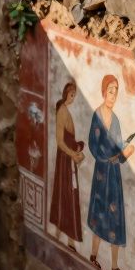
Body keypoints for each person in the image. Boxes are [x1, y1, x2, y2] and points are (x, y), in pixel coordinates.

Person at [87, 74, 135, 270]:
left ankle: (115, 266)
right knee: (99, 215)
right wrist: (106, 158)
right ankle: (93, 255)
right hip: (101, 173)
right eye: (110, 91)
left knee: (115, 219)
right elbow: (92, 143)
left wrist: (126, 150)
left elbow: (118, 147)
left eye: (116, 92)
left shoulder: (115, 120)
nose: (113, 95)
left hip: (113, 175)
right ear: (103, 91)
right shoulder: (97, 115)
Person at [49, 81, 85, 251]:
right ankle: (63, 237)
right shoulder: (62, 112)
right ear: (65, 94)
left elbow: (69, 140)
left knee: (69, 196)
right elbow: (60, 142)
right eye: (71, 95)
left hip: (68, 159)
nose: (72, 99)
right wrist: (74, 154)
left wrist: (78, 148)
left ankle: (68, 239)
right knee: (66, 196)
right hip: (65, 160)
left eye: (74, 96)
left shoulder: (66, 111)